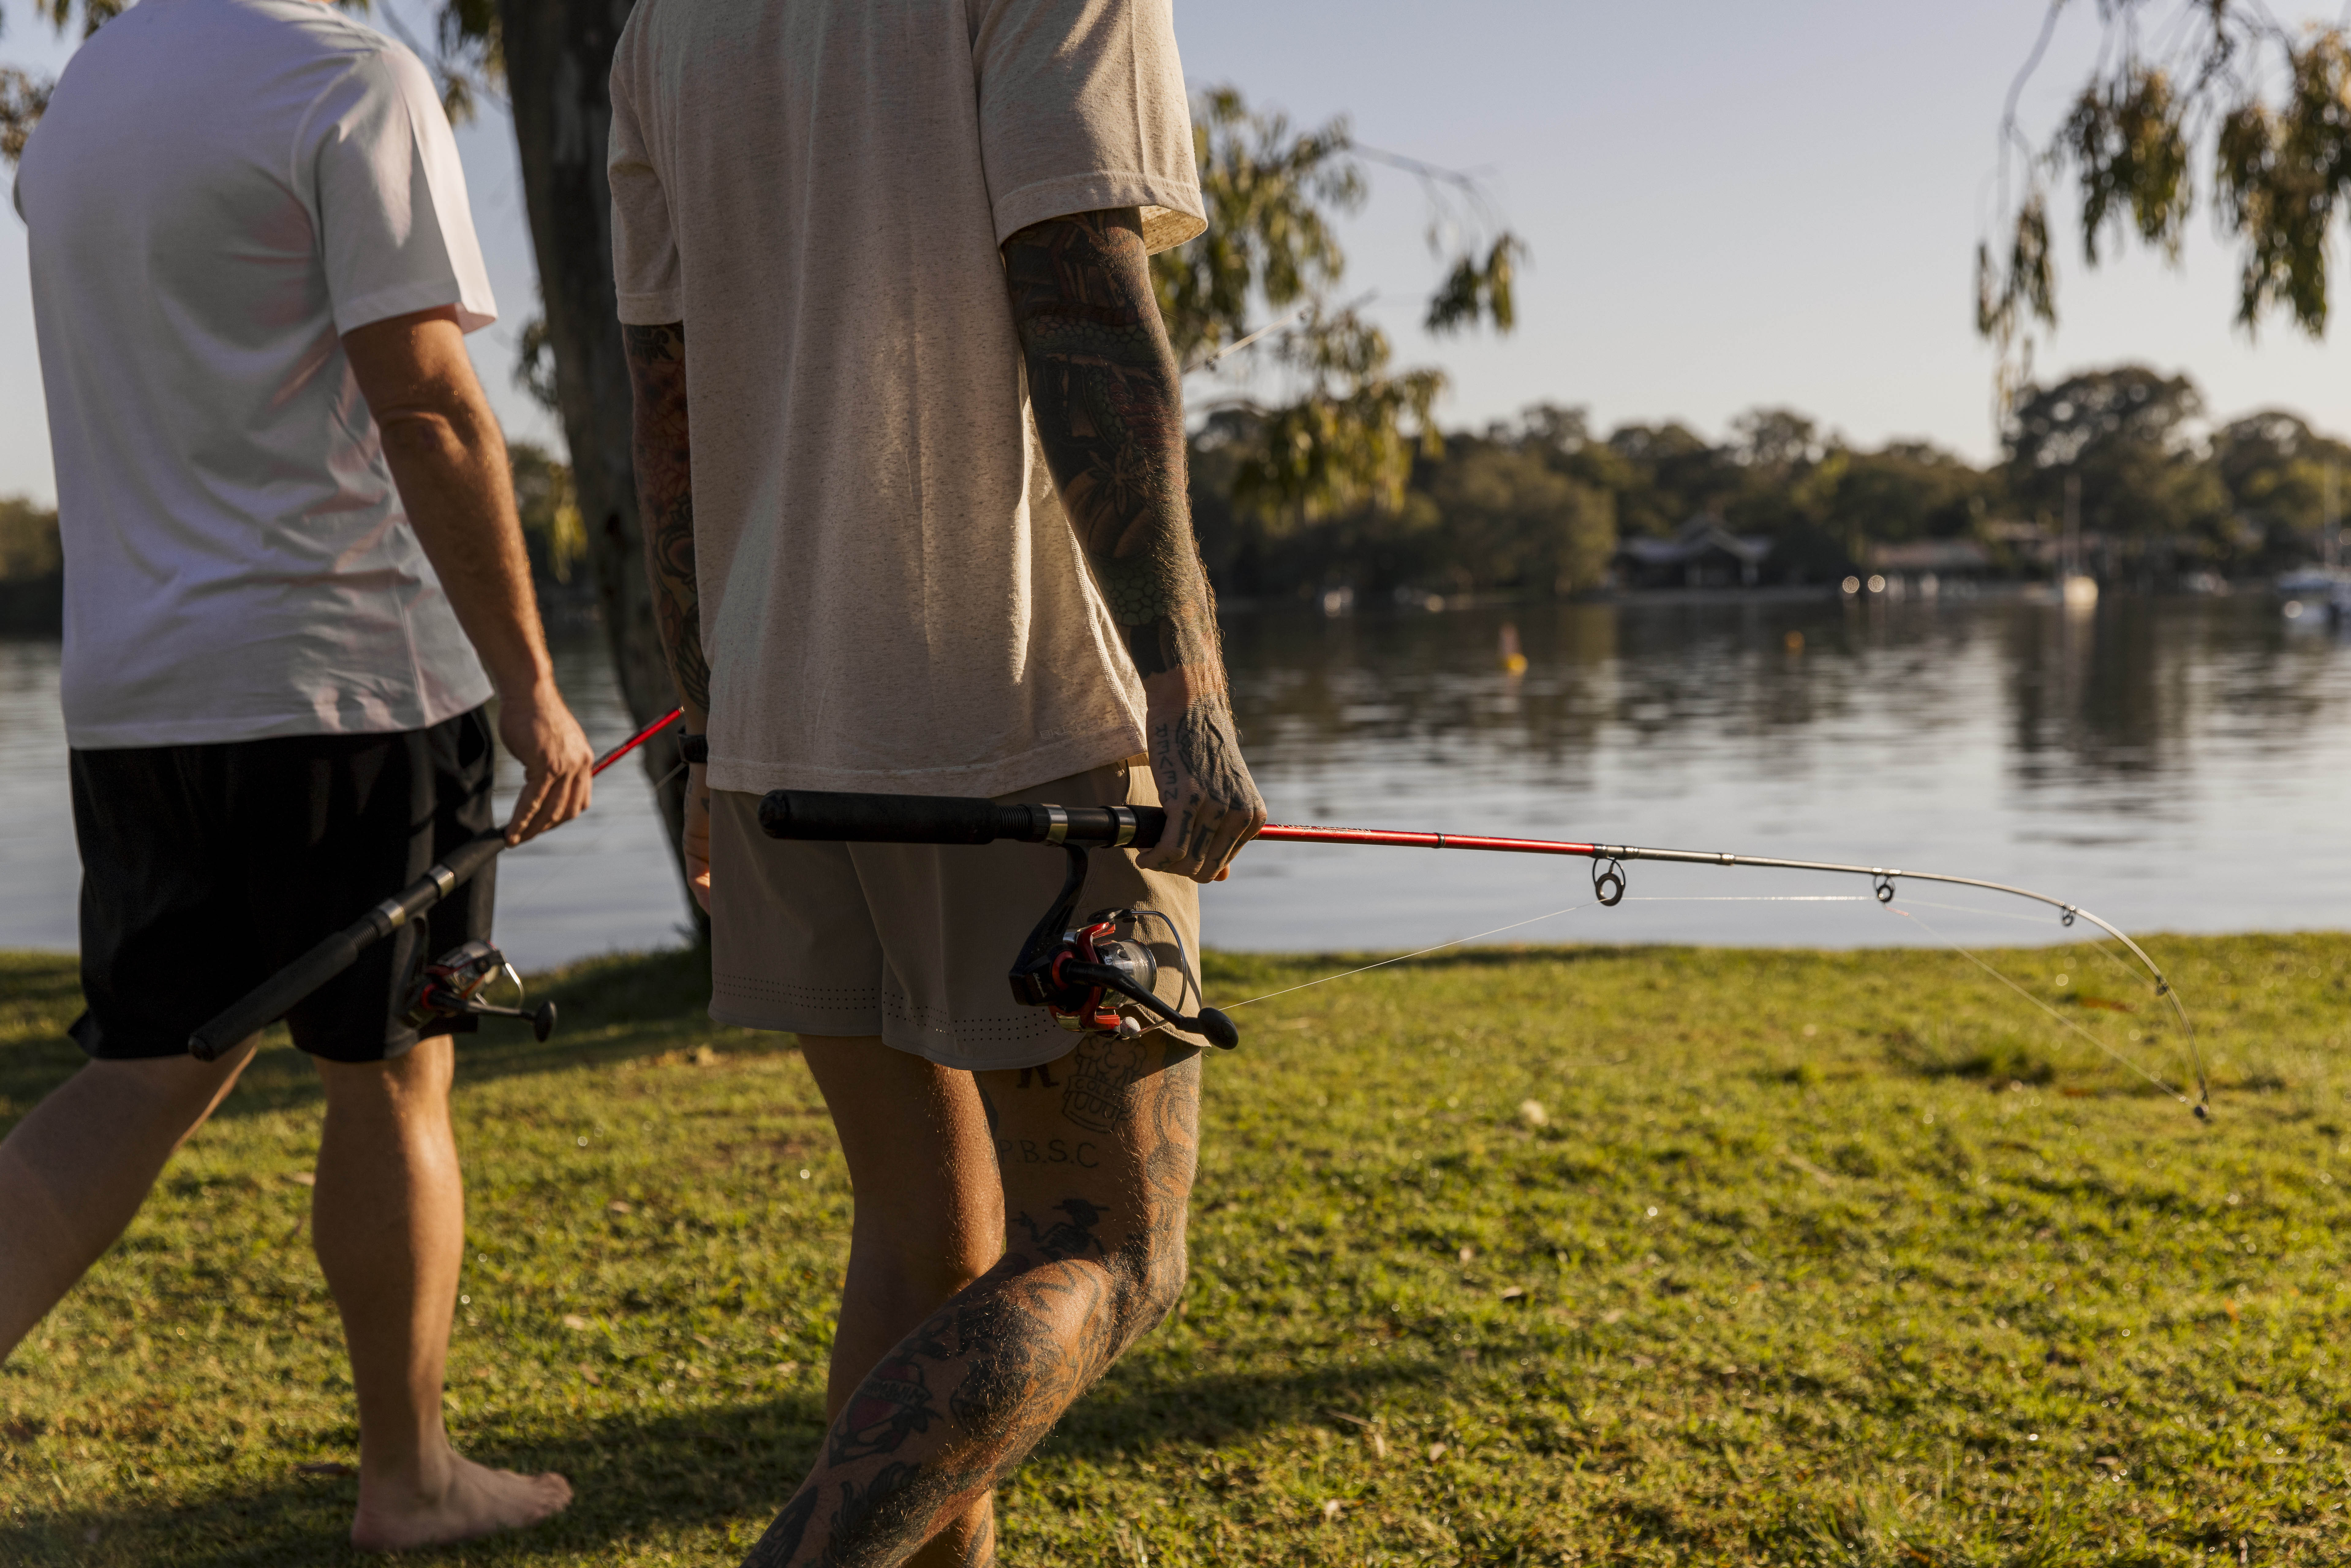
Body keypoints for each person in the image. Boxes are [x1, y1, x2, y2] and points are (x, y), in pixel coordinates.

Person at [608, 0, 1264, 1561]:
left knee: (925, 1245)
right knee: (1107, 1248)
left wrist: (710, 723)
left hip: (778, 719)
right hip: (1016, 719)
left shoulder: (663, 26)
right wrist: (1188, 691)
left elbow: (665, 401)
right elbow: (1083, 295)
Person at [0, 0, 590, 1550]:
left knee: (141, 1075)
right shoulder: (350, 79)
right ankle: (408, 1478)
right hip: (350, 683)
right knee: (392, 1069)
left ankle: (411, 1470)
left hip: (141, 694)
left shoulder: (89, 94)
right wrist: (531, 684)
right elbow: (433, 409)